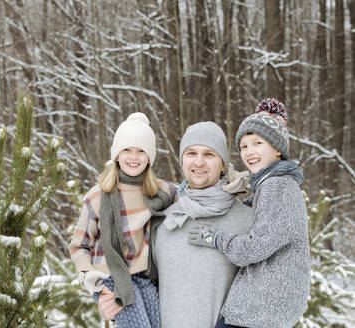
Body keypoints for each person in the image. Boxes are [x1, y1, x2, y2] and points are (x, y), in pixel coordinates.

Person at [188, 99, 310, 328]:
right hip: (267, 307)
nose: (249, 152)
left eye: (257, 143)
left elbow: (256, 247)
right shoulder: (274, 184)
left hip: (261, 308)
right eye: (244, 146)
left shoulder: (277, 186)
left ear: (276, 148)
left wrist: (214, 238)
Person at [69, 112, 175, 328]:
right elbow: (79, 245)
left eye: (140, 151)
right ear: (116, 154)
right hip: (113, 278)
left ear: (150, 157)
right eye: (126, 149)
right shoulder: (98, 196)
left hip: (146, 279)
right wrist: (91, 281)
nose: (133, 157)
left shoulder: (163, 193)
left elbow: (195, 198)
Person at [147, 121, 254, 328]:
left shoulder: (247, 221)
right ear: (182, 161)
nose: (199, 162)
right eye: (191, 153)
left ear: (222, 164)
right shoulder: (163, 221)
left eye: (209, 154)